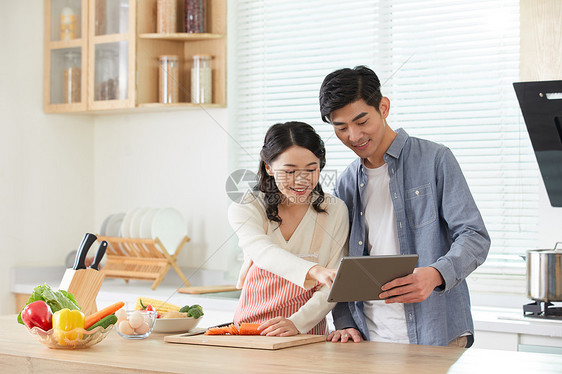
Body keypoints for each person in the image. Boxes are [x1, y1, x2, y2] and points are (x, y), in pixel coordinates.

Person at [318, 66, 490, 347]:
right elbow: (338, 260)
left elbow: (475, 236)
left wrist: (436, 274)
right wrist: (345, 321)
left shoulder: (435, 159)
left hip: (437, 334)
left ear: (383, 107)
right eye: (341, 127)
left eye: (362, 121)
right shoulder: (347, 183)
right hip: (370, 339)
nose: (354, 135)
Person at [229, 121, 349, 336]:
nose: (301, 180)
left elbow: (335, 283)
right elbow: (264, 252)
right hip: (251, 330)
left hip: (306, 332)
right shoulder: (247, 205)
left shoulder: (336, 210)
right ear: (269, 167)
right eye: (290, 171)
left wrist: (297, 323)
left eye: (311, 169)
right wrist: (314, 270)